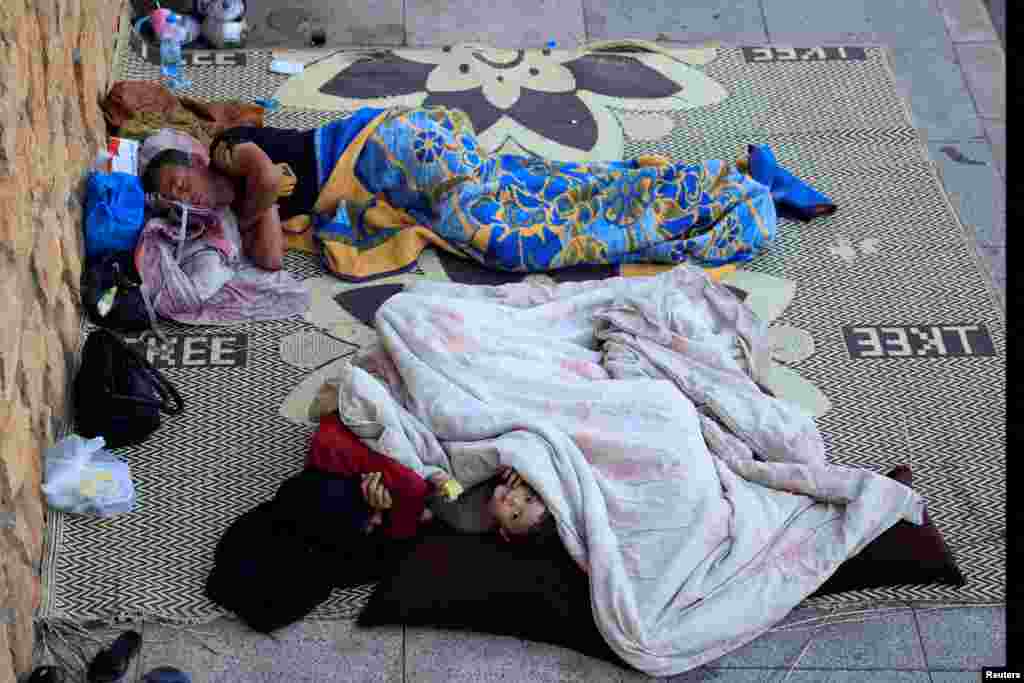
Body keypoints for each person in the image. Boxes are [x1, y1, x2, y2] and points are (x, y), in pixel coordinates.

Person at [140, 105, 836, 278]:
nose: (190, 199)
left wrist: (250, 202)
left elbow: (263, 176)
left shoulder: (233, 154)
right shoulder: (234, 205)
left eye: (181, 182)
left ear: (194, 159)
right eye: (179, 202)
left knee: (502, 232)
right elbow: (265, 260)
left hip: (388, 147)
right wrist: (247, 213)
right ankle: (735, 182)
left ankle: (746, 188)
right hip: (391, 182)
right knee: (546, 195)